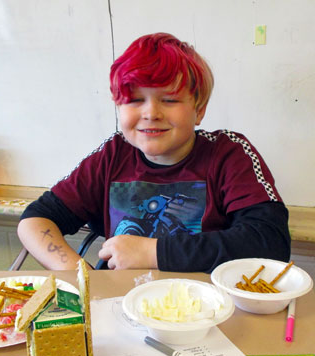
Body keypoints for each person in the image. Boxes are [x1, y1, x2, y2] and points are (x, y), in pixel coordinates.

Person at [17, 32, 290, 273]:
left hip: (205, 311)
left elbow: (270, 242)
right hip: (121, 307)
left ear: (199, 109)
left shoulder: (229, 153)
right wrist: (82, 277)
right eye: (135, 100)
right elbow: (35, 219)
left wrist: (152, 252)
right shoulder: (113, 155)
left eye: (169, 100)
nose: (151, 113)